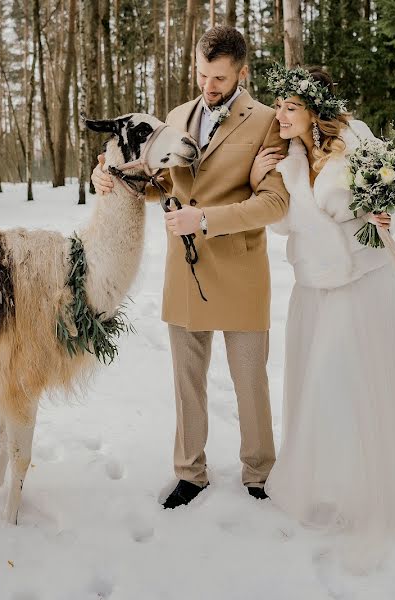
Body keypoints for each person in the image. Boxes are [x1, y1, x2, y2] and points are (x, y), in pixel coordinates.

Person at [253, 65, 395, 569]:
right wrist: (262, 175)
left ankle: (370, 492)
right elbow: (282, 225)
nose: (281, 115)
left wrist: (387, 216)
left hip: (360, 286)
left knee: (348, 386)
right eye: (280, 106)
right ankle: (325, 485)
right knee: (314, 390)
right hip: (313, 287)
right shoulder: (287, 158)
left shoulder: (360, 143)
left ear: (315, 110)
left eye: (290, 107)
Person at [92, 26, 289, 508]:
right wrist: (109, 175)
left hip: (241, 271)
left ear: (241, 73)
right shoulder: (176, 117)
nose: (208, 86)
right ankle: (189, 472)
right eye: (202, 74)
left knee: (250, 383)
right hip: (186, 271)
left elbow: (275, 203)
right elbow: (162, 185)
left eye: (219, 77)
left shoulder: (266, 122)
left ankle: (260, 473)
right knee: (186, 381)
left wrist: (204, 218)